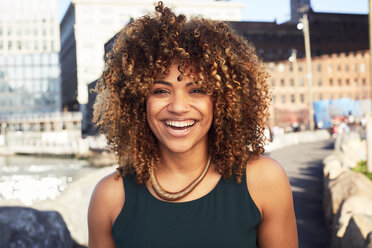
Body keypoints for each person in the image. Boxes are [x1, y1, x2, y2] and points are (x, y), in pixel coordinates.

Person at [88, 2, 298, 247]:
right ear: (137, 101)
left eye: (197, 90)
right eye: (161, 90)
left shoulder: (264, 180)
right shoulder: (110, 197)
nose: (178, 106)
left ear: (221, 100)